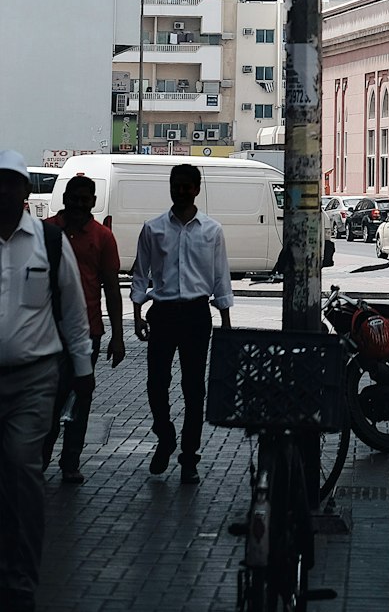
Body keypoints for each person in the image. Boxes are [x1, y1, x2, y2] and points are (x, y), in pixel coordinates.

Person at [0, 150, 93, 612]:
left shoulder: (49, 243)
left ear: (24, 191)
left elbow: (74, 313)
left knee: (22, 469)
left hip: (34, 379)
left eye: (11, 183)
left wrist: (83, 369)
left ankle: (20, 577)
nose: (4, 192)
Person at [131, 163, 233, 486]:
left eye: (187, 185)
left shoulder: (212, 231)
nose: (181, 190)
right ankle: (166, 435)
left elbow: (221, 279)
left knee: (193, 389)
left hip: (196, 316)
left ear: (197, 189)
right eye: (176, 184)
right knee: (156, 384)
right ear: (171, 187)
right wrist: (136, 314)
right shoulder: (153, 228)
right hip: (162, 314)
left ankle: (189, 457)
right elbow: (139, 273)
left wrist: (226, 323)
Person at [42, 174, 125, 482]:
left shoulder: (102, 237)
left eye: (84, 199)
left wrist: (117, 336)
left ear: (92, 201)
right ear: (65, 199)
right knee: (46, 399)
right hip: (45, 331)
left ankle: (70, 462)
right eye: (73, 198)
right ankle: (39, 460)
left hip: (88, 331)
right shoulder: (46, 232)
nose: (78, 204)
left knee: (81, 397)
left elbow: (112, 289)